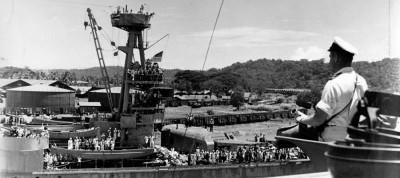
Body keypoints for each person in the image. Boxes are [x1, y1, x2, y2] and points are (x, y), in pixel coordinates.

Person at [280, 37, 368, 143]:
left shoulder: (334, 83)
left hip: (332, 141)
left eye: (330, 57)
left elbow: (318, 120)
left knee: (282, 136)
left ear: (336, 57)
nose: (329, 61)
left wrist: (301, 119)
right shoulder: (362, 81)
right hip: (354, 138)